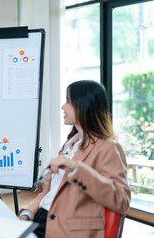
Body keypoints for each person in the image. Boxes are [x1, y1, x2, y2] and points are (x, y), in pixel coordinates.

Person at [19, 80, 131, 238]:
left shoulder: (109, 148)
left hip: (68, 231)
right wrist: (28, 212)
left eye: (68, 101)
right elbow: (49, 193)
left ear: (84, 105)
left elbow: (121, 200)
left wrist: (77, 169)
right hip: (41, 221)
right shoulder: (69, 145)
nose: (63, 107)